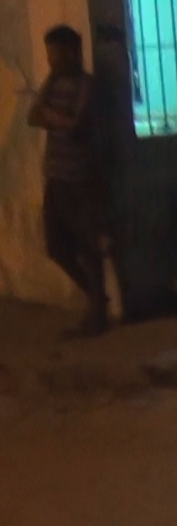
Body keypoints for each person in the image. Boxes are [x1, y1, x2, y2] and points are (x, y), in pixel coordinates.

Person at [27, 24, 111, 337]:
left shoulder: (87, 85)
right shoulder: (52, 83)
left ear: (73, 53)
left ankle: (98, 313)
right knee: (56, 246)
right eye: (49, 55)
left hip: (81, 178)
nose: (51, 61)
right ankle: (96, 298)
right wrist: (54, 116)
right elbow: (33, 116)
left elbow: (76, 125)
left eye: (56, 54)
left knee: (89, 245)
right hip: (56, 176)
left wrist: (51, 117)